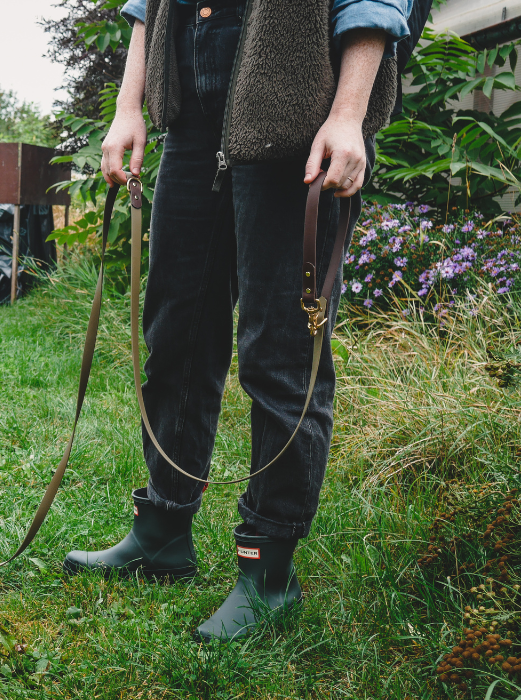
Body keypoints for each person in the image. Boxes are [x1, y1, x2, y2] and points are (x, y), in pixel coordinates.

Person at [62, 0, 415, 641]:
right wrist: (127, 106)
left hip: (296, 114)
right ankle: (163, 530)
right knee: (175, 334)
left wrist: (347, 115)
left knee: (279, 349)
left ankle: (268, 570)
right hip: (193, 126)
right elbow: (148, 6)